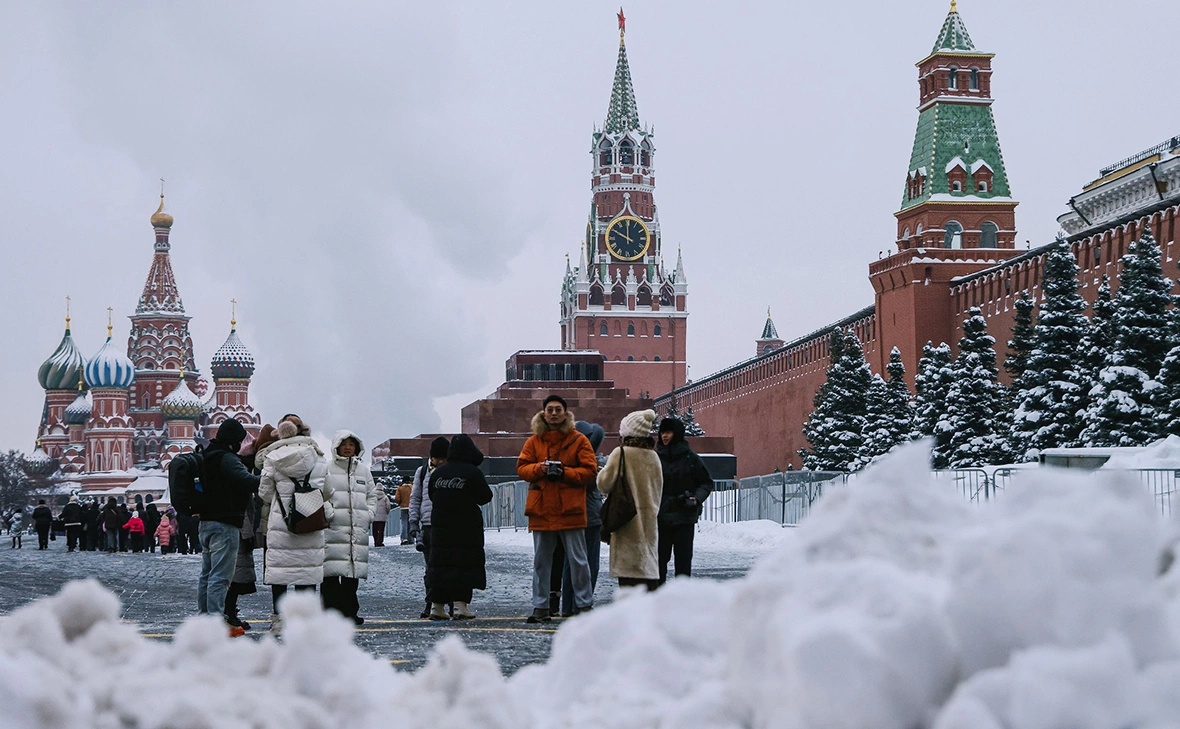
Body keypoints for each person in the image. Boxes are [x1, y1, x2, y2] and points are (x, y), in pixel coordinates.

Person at [517, 394, 598, 623]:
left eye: (558, 409)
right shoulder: (534, 442)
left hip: (569, 509)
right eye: (550, 409)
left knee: (578, 561)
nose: (554, 413)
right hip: (543, 509)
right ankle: (541, 606)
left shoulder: (579, 440)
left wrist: (565, 472)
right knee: (541, 562)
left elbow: (590, 471)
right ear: (543, 413)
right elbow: (522, 468)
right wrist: (540, 469)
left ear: (565, 413)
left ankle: (584, 604)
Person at [256, 414, 332, 636]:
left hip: (282, 523)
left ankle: (279, 622)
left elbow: (265, 493)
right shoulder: (318, 458)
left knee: (280, 575)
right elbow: (326, 491)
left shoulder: (272, 457)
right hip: (310, 518)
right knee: (307, 572)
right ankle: (306, 624)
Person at [196, 418, 261, 637]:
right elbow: (248, 481)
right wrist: (267, 477)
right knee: (221, 576)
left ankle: (205, 617)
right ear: (233, 440)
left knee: (207, 573)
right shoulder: (227, 458)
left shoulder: (208, 455)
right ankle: (215, 621)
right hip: (225, 523)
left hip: (206, 522)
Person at [426, 434, 494, 620]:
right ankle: (459, 606)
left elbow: (432, 495)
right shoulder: (472, 472)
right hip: (466, 528)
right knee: (464, 565)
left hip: (440, 528)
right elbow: (485, 496)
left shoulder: (438, 473)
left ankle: (436, 607)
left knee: (440, 565)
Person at [598, 410, 663, 591]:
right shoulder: (654, 457)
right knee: (647, 571)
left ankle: (633, 614)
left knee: (628, 577)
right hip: (648, 520)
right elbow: (658, 490)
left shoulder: (621, 453)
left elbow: (604, 484)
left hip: (626, 520)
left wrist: (602, 471)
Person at [322, 430, 377, 625]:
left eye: (351, 444)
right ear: (336, 446)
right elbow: (320, 494)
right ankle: (331, 612)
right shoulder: (326, 468)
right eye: (343, 443)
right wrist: (330, 512)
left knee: (352, 575)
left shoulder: (364, 471)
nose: (347, 447)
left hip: (357, 530)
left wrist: (368, 514)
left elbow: (372, 495)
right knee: (329, 574)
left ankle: (350, 612)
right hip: (333, 528)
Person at [656, 417, 714, 584]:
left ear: (677, 433)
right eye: (662, 432)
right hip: (661, 517)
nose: (664, 436)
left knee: (683, 562)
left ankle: (682, 600)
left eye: (668, 432)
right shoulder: (655, 458)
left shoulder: (691, 458)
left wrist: (696, 499)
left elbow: (706, 482)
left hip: (684, 516)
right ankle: (658, 600)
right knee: (659, 562)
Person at [559, 421, 606, 615]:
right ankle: (582, 604)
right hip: (589, 515)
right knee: (588, 562)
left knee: (571, 561)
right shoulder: (586, 460)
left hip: (571, 514)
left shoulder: (565, 455)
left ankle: (568, 606)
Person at [409, 436, 448, 618]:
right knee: (430, 568)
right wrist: (413, 522)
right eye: (437, 458)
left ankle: (447, 602)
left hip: (447, 524)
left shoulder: (450, 470)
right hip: (428, 525)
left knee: (447, 565)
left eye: (443, 458)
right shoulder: (422, 471)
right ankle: (431, 603)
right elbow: (415, 497)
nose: (440, 461)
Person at [394, 478, 412, 545]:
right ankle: (411, 539)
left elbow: (396, 498)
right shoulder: (412, 487)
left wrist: (400, 503)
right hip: (411, 507)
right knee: (411, 523)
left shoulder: (400, 488)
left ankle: (404, 539)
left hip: (403, 508)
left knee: (404, 523)